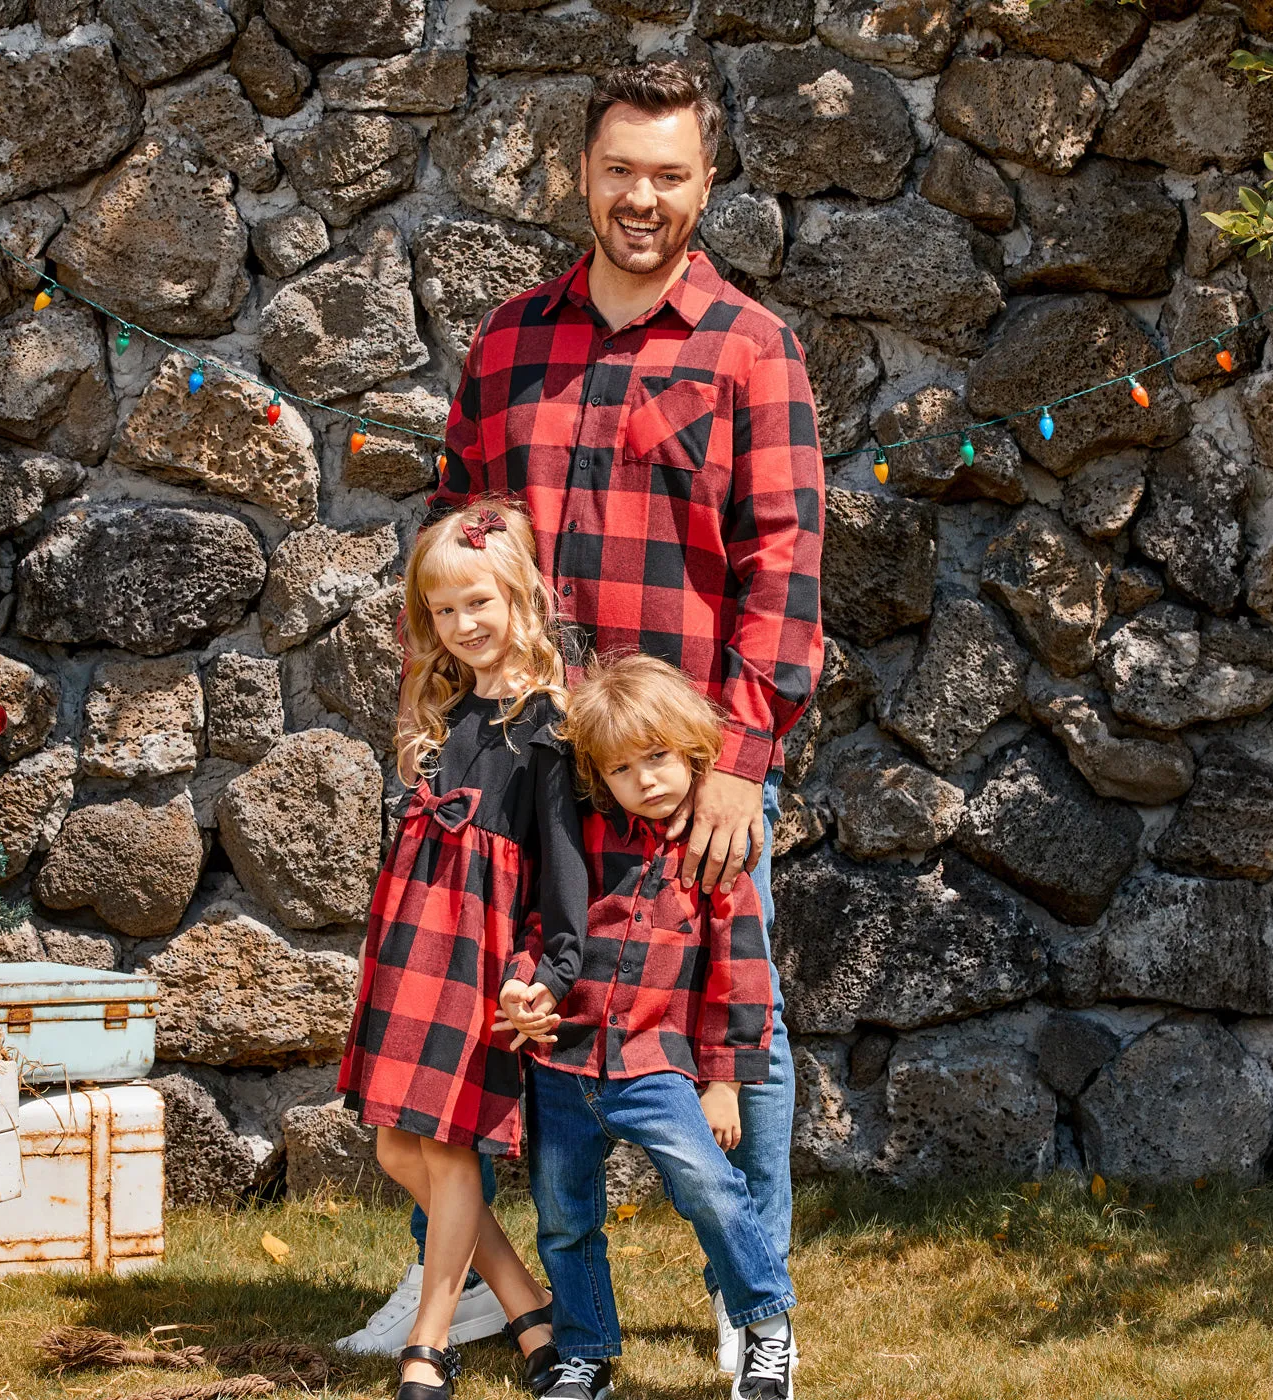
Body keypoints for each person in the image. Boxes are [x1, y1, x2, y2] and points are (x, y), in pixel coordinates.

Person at [398, 58, 826, 1374]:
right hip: (529, 775)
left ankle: (755, 1311)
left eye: (672, 175)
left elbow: (786, 566)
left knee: (735, 1037)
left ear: (707, 182)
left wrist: (742, 761)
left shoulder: (753, 350)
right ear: (580, 174)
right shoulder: (508, 344)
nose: (644, 198)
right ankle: (507, 1297)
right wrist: (445, 716)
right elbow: (455, 539)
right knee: (505, 1026)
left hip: (679, 773)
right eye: (622, 171)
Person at [335, 501, 589, 1400]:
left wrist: (548, 974)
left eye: (478, 603)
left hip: (478, 963)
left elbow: (562, 876)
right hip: (414, 951)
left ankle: (430, 1346)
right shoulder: (444, 713)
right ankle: (526, 1308)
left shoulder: (548, 725)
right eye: (443, 612)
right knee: (396, 1153)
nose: (462, 626)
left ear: (521, 594)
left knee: (445, 1155)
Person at [499, 653, 798, 1400]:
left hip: (656, 1065)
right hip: (565, 1063)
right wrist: (527, 979)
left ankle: (766, 1327)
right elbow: (546, 925)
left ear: (694, 749)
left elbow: (741, 977)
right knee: (564, 1219)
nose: (648, 780)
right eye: (625, 768)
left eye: (659, 757)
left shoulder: (714, 856)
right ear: (601, 778)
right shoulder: (588, 841)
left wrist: (724, 1083)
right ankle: (585, 1353)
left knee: (711, 1189)